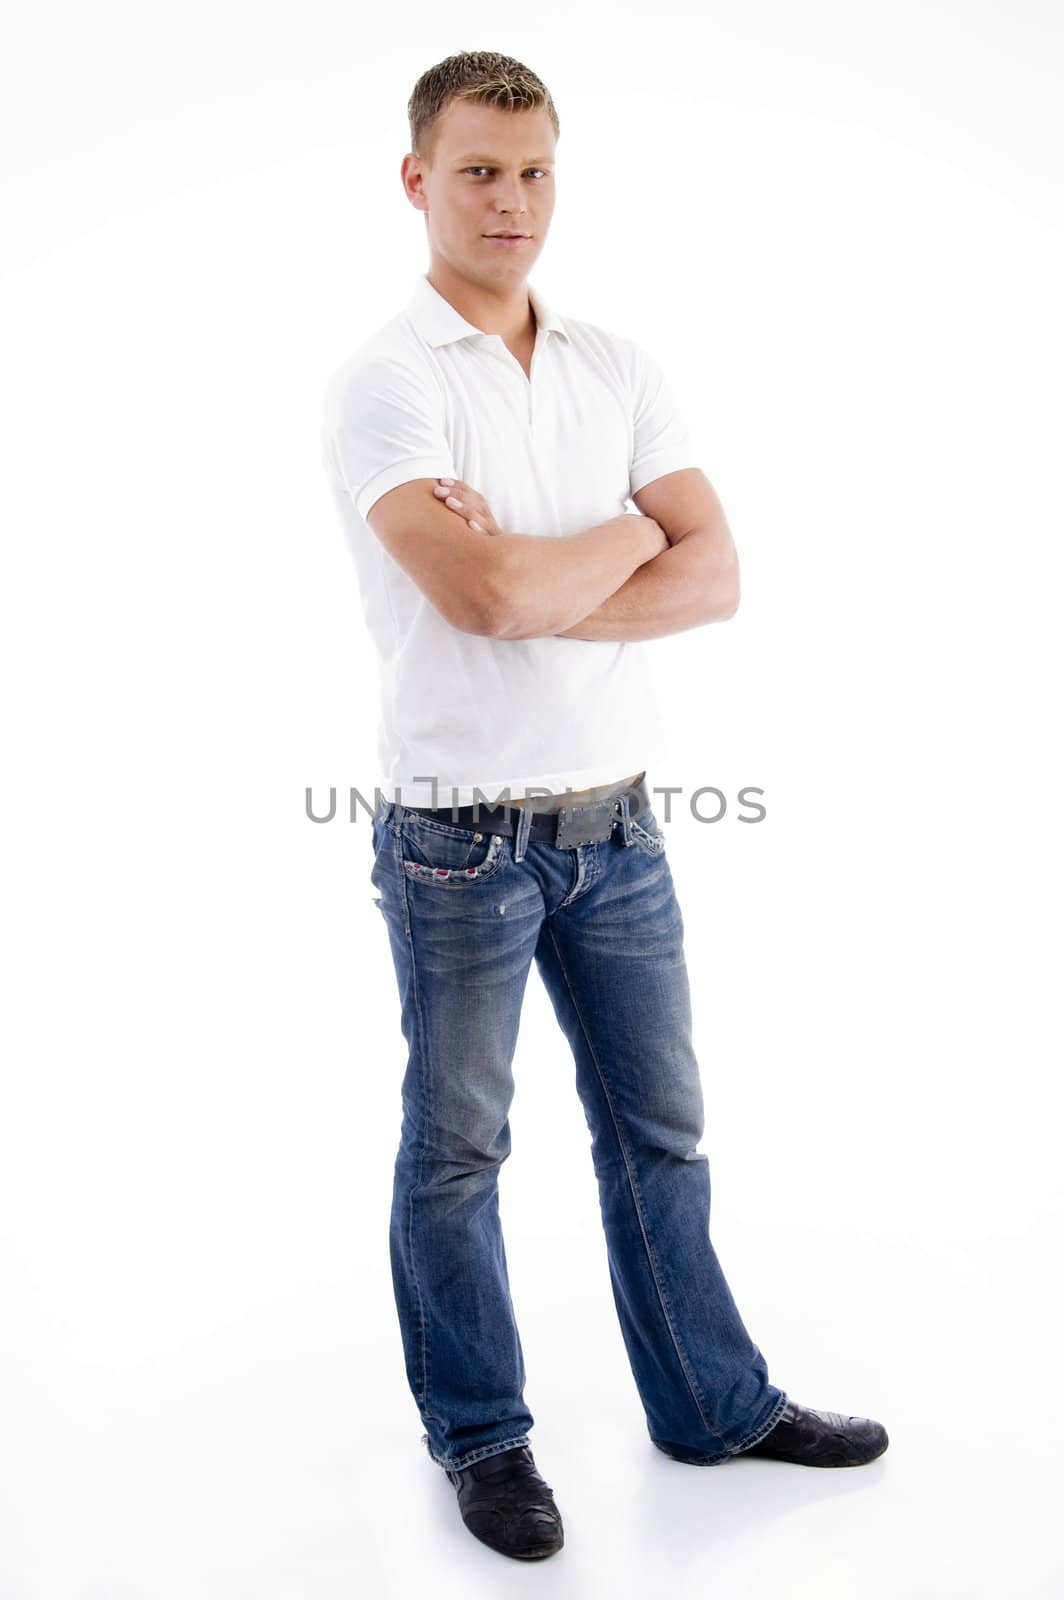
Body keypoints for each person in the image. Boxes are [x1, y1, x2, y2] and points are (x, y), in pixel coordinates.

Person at [320, 49, 888, 1562]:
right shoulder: (386, 383)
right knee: (458, 1153)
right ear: (417, 179)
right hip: (458, 847)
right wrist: (629, 534)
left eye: (535, 170)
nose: (511, 201)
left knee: (664, 1132)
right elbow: (484, 594)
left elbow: (720, 575)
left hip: (620, 826)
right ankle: (482, 1438)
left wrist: (577, 557)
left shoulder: (618, 365)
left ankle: (711, 1404)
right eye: (480, 170)